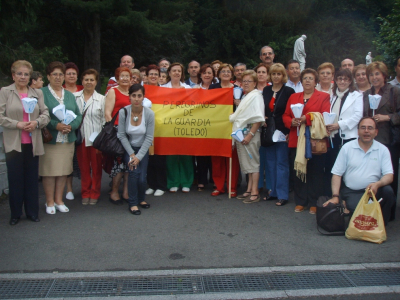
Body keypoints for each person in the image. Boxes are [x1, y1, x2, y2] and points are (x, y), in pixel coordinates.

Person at [0, 60, 50, 225]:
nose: (23, 77)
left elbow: (45, 114)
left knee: (31, 179)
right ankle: (15, 214)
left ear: (30, 77)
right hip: (14, 144)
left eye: (26, 74)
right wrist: (17, 124)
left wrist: (36, 123)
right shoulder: (5, 92)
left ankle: (32, 212)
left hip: (32, 142)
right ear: (13, 75)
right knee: (15, 180)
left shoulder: (37, 93)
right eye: (19, 74)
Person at [324, 117, 396, 226]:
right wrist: (335, 196)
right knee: (357, 211)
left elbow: (389, 175)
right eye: (363, 128)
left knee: (388, 192)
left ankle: (381, 226)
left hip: (373, 191)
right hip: (352, 192)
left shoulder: (383, 150)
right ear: (358, 131)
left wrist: (378, 184)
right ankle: (352, 209)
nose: (366, 131)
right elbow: (337, 174)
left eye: (370, 128)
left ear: (376, 132)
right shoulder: (347, 148)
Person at [282, 68, 330, 214]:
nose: (307, 81)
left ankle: (314, 202)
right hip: (296, 138)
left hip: (314, 139)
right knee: (298, 170)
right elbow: (285, 115)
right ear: (301, 81)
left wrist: (306, 118)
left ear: (316, 82)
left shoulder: (323, 96)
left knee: (315, 171)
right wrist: (292, 122)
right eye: (305, 78)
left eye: (311, 78)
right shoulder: (294, 97)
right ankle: (301, 201)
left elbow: (324, 115)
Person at [40, 61, 82, 215]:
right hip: (51, 139)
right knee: (50, 172)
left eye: (60, 75)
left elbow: (78, 115)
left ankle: (59, 200)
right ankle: (49, 201)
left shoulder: (69, 95)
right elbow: (39, 115)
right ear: (48, 76)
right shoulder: (42, 93)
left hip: (67, 139)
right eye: (54, 74)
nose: (58, 78)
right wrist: (55, 125)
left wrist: (72, 126)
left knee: (63, 171)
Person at [363, 61, 400, 219]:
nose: (374, 77)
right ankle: (371, 208)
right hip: (369, 140)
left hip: (388, 140)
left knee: (388, 175)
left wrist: (387, 117)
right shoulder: (366, 93)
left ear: (384, 75)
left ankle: (388, 212)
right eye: (371, 74)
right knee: (372, 174)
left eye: (377, 74)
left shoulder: (394, 91)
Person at [323, 68, 363, 195]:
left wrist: (339, 125)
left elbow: (357, 116)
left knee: (347, 168)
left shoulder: (356, 96)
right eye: (340, 79)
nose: (342, 81)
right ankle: (334, 195)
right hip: (333, 136)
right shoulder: (333, 96)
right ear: (336, 80)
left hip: (348, 136)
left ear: (350, 81)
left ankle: (346, 196)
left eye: (346, 79)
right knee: (334, 166)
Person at [118, 84, 155, 215]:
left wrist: (138, 156)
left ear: (143, 97)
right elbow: (121, 135)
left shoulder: (150, 114)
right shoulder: (124, 112)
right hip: (129, 149)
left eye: (139, 95)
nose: (136, 98)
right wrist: (132, 155)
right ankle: (133, 203)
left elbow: (149, 137)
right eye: (134, 95)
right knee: (133, 174)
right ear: (129, 97)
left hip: (143, 149)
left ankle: (141, 199)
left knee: (142, 178)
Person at [230, 70, 265, 203]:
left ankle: (255, 192)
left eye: (249, 81)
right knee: (248, 164)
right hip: (242, 134)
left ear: (255, 83)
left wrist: (250, 135)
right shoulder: (246, 96)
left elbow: (258, 118)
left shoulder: (256, 96)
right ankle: (249, 189)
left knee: (253, 163)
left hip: (251, 133)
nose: (245, 83)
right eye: (244, 81)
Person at [263, 63, 295, 206]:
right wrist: (262, 117)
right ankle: (273, 192)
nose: (276, 76)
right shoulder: (266, 90)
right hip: (268, 130)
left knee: (282, 163)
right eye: (274, 74)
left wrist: (289, 132)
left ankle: (283, 194)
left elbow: (291, 112)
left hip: (282, 131)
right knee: (270, 162)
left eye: (279, 74)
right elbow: (262, 108)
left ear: (283, 76)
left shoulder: (289, 91)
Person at [74, 69, 105, 205]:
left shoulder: (102, 99)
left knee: (97, 168)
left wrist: (102, 140)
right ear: (82, 81)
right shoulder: (74, 97)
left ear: (96, 82)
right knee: (84, 168)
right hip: (81, 138)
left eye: (92, 80)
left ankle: (95, 192)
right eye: (86, 79)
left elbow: (105, 121)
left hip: (96, 139)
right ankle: (85, 192)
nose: (89, 82)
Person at [209, 64, 240, 198]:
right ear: (219, 74)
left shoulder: (238, 89)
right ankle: (219, 185)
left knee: (232, 158)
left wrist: (238, 103)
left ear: (232, 74)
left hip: (232, 126)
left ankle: (232, 186)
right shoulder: (213, 88)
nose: (226, 73)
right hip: (216, 126)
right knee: (217, 158)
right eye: (223, 71)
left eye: (228, 71)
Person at [161, 63, 193, 192]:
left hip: (185, 125)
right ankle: (173, 181)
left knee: (186, 155)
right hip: (168, 126)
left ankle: (186, 182)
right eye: (174, 70)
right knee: (171, 155)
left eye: (179, 71)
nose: (176, 73)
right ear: (169, 73)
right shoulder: (162, 89)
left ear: (182, 73)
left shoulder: (188, 89)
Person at [104, 67, 132, 205]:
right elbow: (108, 113)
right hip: (117, 132)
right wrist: (113, 130)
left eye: (127, 76)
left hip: (132, 132)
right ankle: (114, 191)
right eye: (122, 76)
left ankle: (126, 191)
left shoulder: (133, 92)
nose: (125, 78)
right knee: (118, 163)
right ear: (117, 78)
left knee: (129, 163)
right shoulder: (113, 91)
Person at [144, 65, 167, 197]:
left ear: (159, 77)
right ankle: (151, 184)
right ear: (146, 76)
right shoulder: (142, 91)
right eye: (150, 74)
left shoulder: (164, 91)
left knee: (160, 158)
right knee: (148, 158)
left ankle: (161, 185)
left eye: (155, 74)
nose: (153, 76)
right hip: (145, 129)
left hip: (161, 129)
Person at [192, 64, 216, 191]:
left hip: (215, 125)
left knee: (214, 153)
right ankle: (201, 180)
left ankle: (214, 179)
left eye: (209, 72)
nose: (207, 75)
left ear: (213, 75)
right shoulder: (194, 89)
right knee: (201, 154)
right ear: (200, 75)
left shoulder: (218, 89)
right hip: (199, 125)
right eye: (204, 73)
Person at [63, 62, 84, 201]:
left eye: (74, 73)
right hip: (65, 130)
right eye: (68, 73)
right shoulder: (60, 89)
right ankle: (69, 189)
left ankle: (86, 187)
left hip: (82, 128)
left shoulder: (83, 88)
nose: (71, 76)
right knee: (67, 161)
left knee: (81, 160)